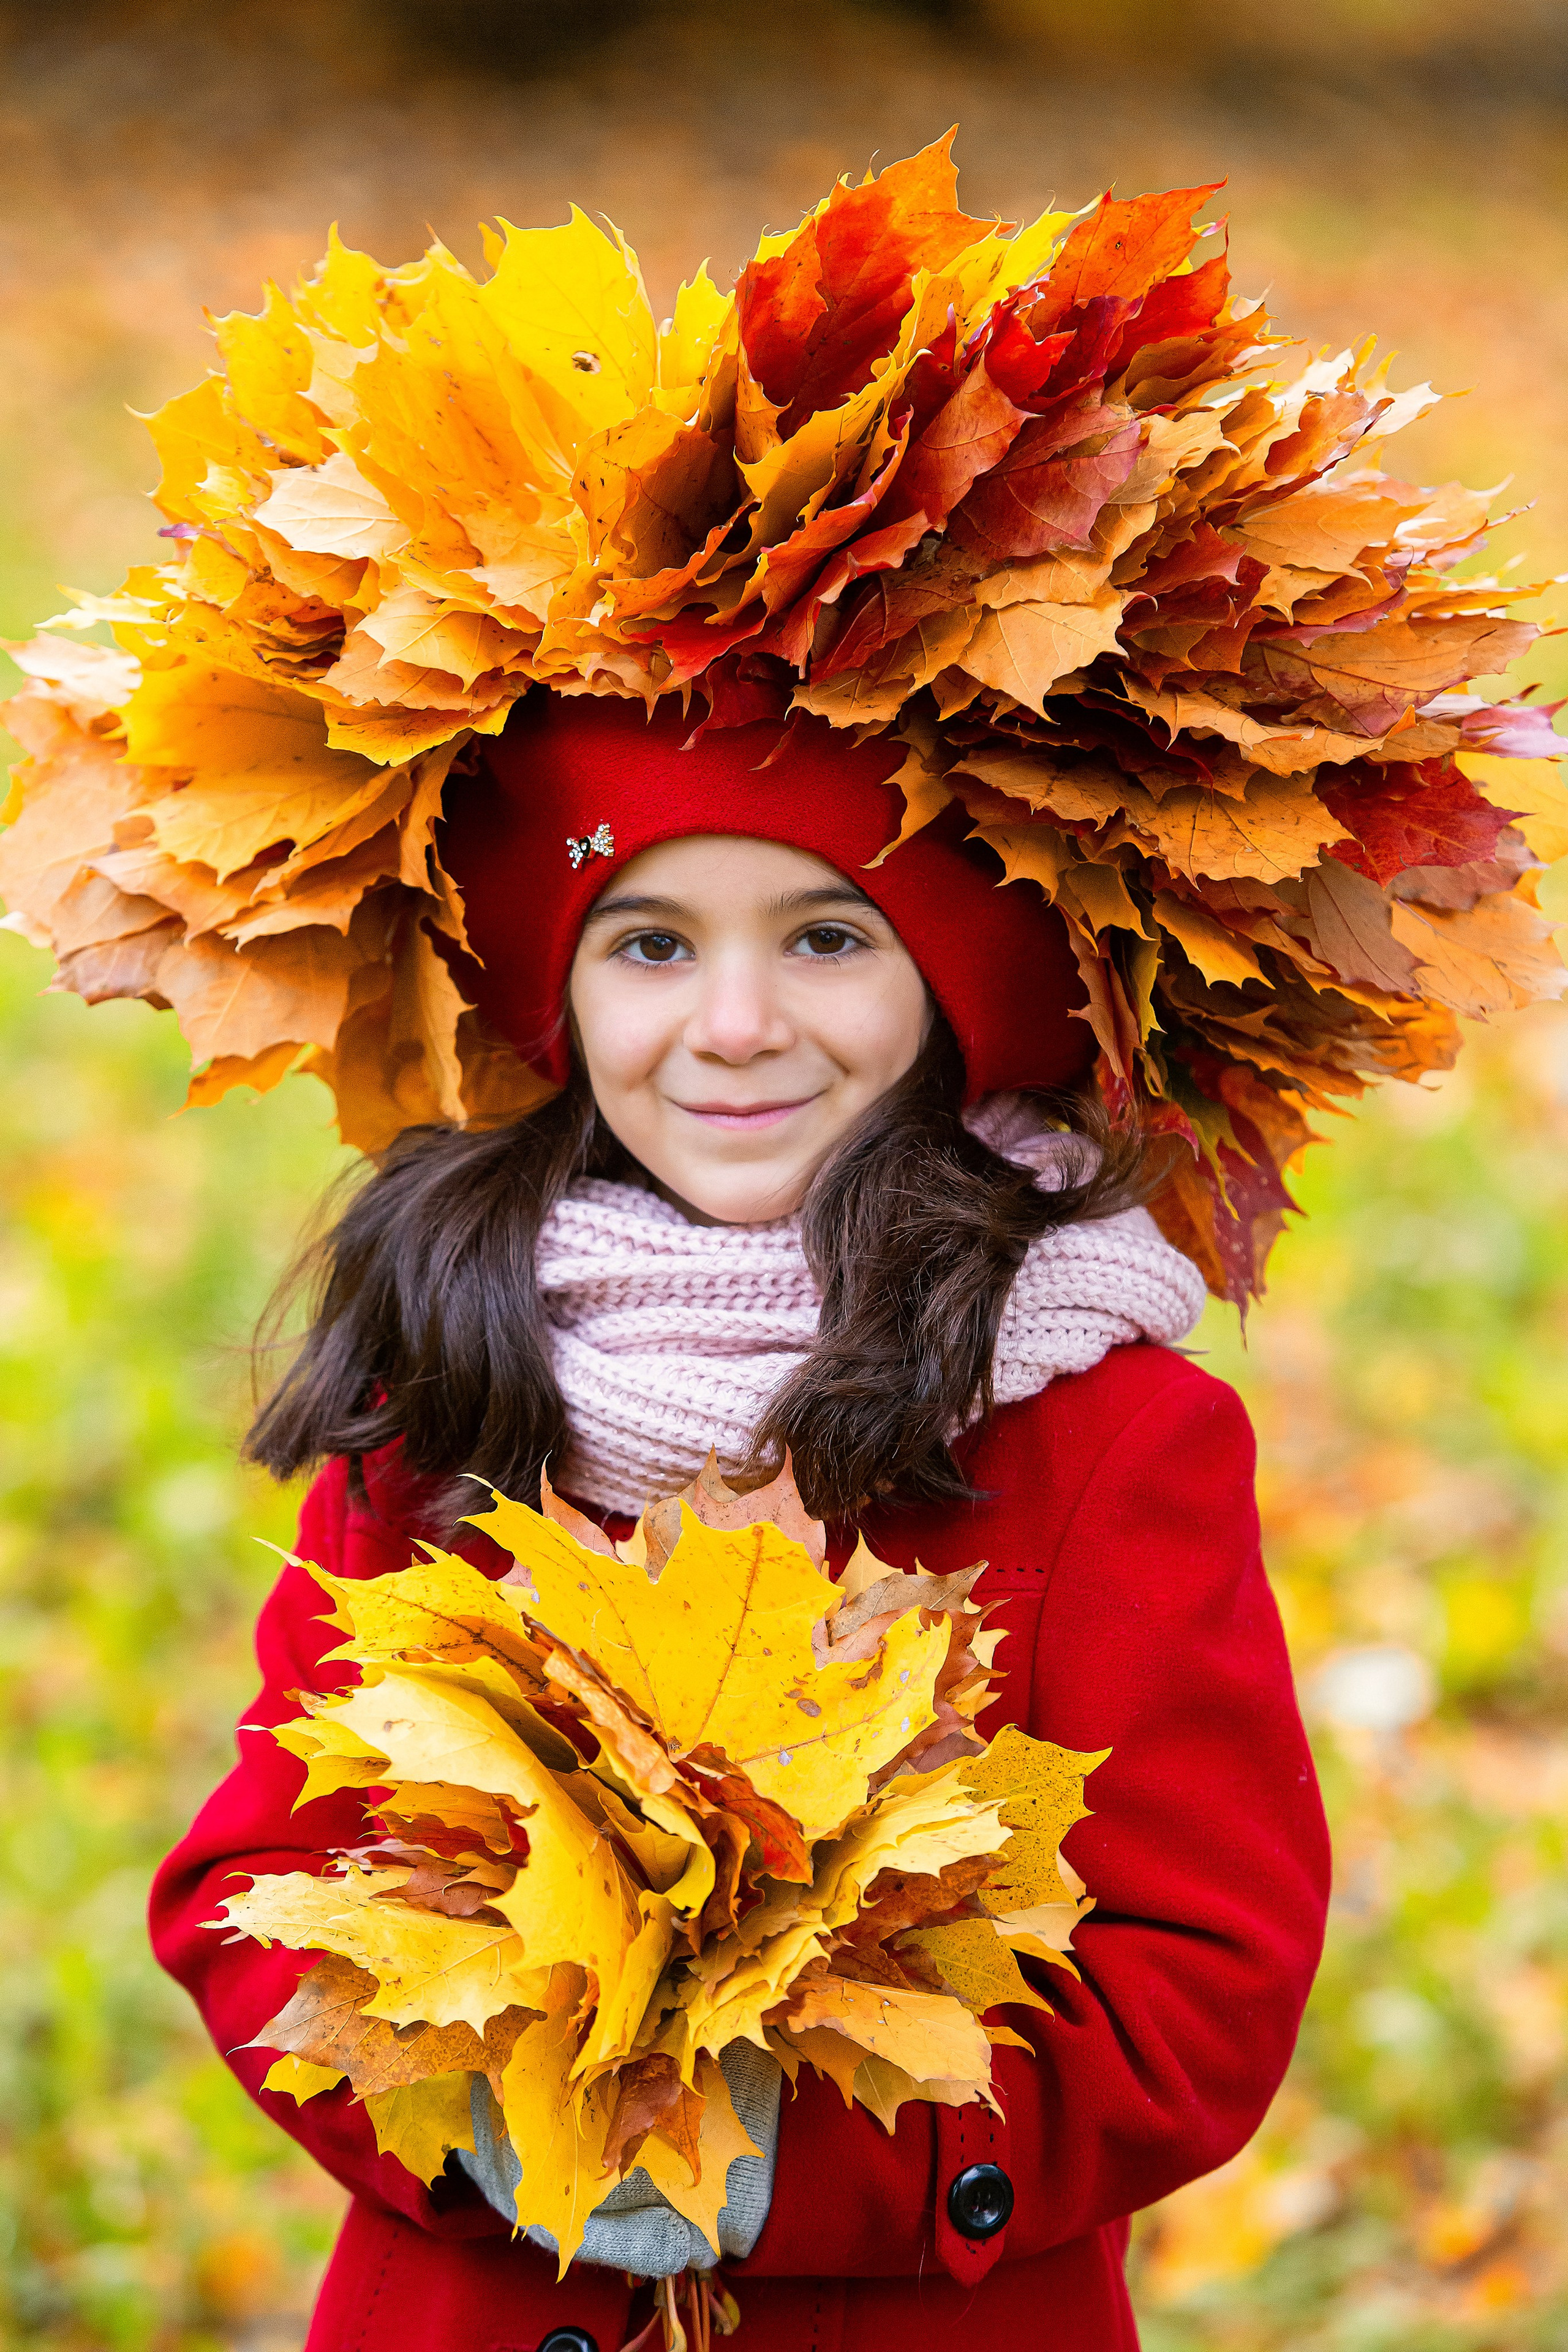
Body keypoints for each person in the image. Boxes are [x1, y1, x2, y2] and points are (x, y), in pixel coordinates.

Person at [150, 692, 1331, 2352]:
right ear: (558, 987)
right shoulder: (461, 1369)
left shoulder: (1107, 1435)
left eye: (829, 936)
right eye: (647, 944)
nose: (732, 1024)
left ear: (957, 990)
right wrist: (466, 2124)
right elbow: (250, 1878)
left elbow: (1201, 1984)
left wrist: (803, 2167)